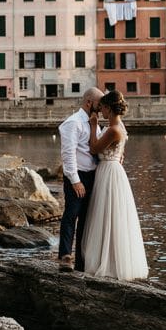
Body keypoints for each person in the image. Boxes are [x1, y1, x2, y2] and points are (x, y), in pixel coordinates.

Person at [81, 90, 149, 281]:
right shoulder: (117, 126)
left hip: (109, 172)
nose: (100, 110)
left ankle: (108, 262)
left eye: (102, 107)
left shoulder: (113, 129)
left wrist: (93, 125)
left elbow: (94, 148)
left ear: (109, 108)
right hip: (110, 170)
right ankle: (109, 258)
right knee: (108, 216)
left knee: (107, 215)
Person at [57, 87, 103, 271]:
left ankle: (81, 260)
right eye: (100, 103)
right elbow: (68, 154)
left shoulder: (94, 123)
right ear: (89, 102)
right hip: (77, 175)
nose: (102, 107)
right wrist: (75, 180)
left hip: (92, 175)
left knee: (86, 219)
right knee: (71, 215)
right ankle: (65, 255)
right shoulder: (73, 123)